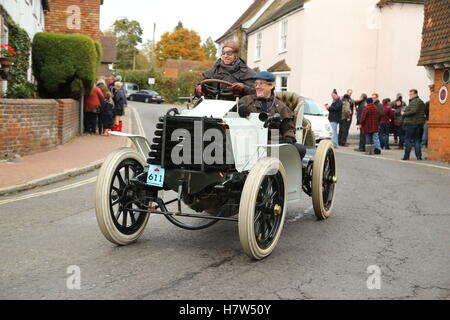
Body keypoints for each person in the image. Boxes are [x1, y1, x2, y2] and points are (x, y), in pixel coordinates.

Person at [238, 71, 305, 158]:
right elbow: (230, 115)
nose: (257, 87)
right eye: (256, 84)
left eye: (261, 84)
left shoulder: (280, 106)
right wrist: (240, 108)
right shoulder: (245, 100)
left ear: (271, 86)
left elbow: (288, 128)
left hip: (273, 141)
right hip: (250, 140)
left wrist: (289, 138)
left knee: (300, 149)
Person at [401, 89, 426, 160]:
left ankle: (406, 156)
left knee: (408, 140)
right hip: (419, 123)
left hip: (411, 123)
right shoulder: (420, 101)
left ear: (415, 94)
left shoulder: (415, 101)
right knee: (417, 140)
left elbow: (413, 111)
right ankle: (418, 156)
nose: (410, 95)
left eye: (411, 94)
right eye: (409, 94)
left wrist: (404, 113)